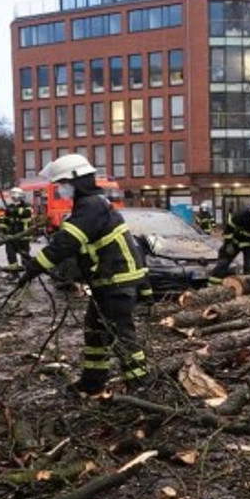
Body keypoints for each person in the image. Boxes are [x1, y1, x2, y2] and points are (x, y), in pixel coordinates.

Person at [19, 154, 151, 394]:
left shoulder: (91, 206)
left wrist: (33, 267)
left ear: (76, 180)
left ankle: (140, 386)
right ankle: (92, 383)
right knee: (95, 332)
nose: (60, 190)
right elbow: (76, 250)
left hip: (116, 283)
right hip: (107, 283)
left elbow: (66, 243)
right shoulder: (90, 205)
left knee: (121, 336)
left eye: (62, 184)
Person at [0, 187, 33, 269]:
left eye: (15, 197)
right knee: (10, 253)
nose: (13, 198)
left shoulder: (27, 206)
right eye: (12, 197)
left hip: (24, 235)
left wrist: (15, 211)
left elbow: (27, 213)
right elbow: (5, 220)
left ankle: (27, 272)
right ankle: (14, 272)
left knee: (25, 255)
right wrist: (3, 231)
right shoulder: (9, 207)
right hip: (11, 235)